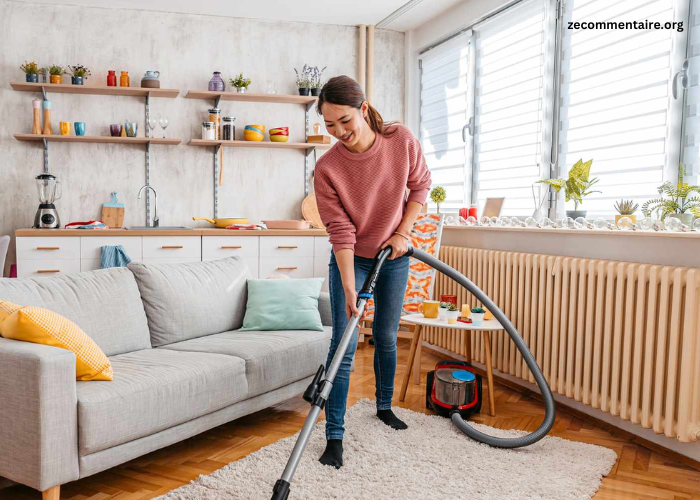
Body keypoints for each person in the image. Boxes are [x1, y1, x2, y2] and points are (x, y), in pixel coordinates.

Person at [313, 75, 432, 468]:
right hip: (354, 258)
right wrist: (349, 287)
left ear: (363, 110)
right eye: (330, 125)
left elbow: (419, 187)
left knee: (385, 335)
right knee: (344, 346)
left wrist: (402, 232)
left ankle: (383, 406)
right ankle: (334, 436)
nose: (339, 132)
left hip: (394, 255)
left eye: (344, 120)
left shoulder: (400, 140)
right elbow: (340, 231)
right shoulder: (328, 167)